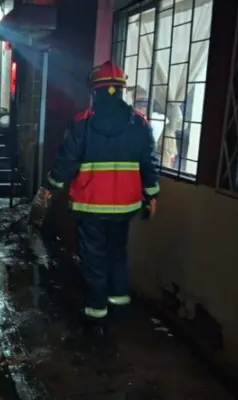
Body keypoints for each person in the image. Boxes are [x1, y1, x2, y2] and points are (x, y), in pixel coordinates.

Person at [36, 61, 160, 338]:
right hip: (125, 207)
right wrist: (152, 196)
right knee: (117, 252)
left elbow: (66, 160)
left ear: (95, 90)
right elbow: (149, 163)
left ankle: (96, 315)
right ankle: (119, 308)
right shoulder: (140, 124)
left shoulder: (82, 122)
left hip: (90, 204)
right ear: (122, 89)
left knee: (94, 259)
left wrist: (50, 188)